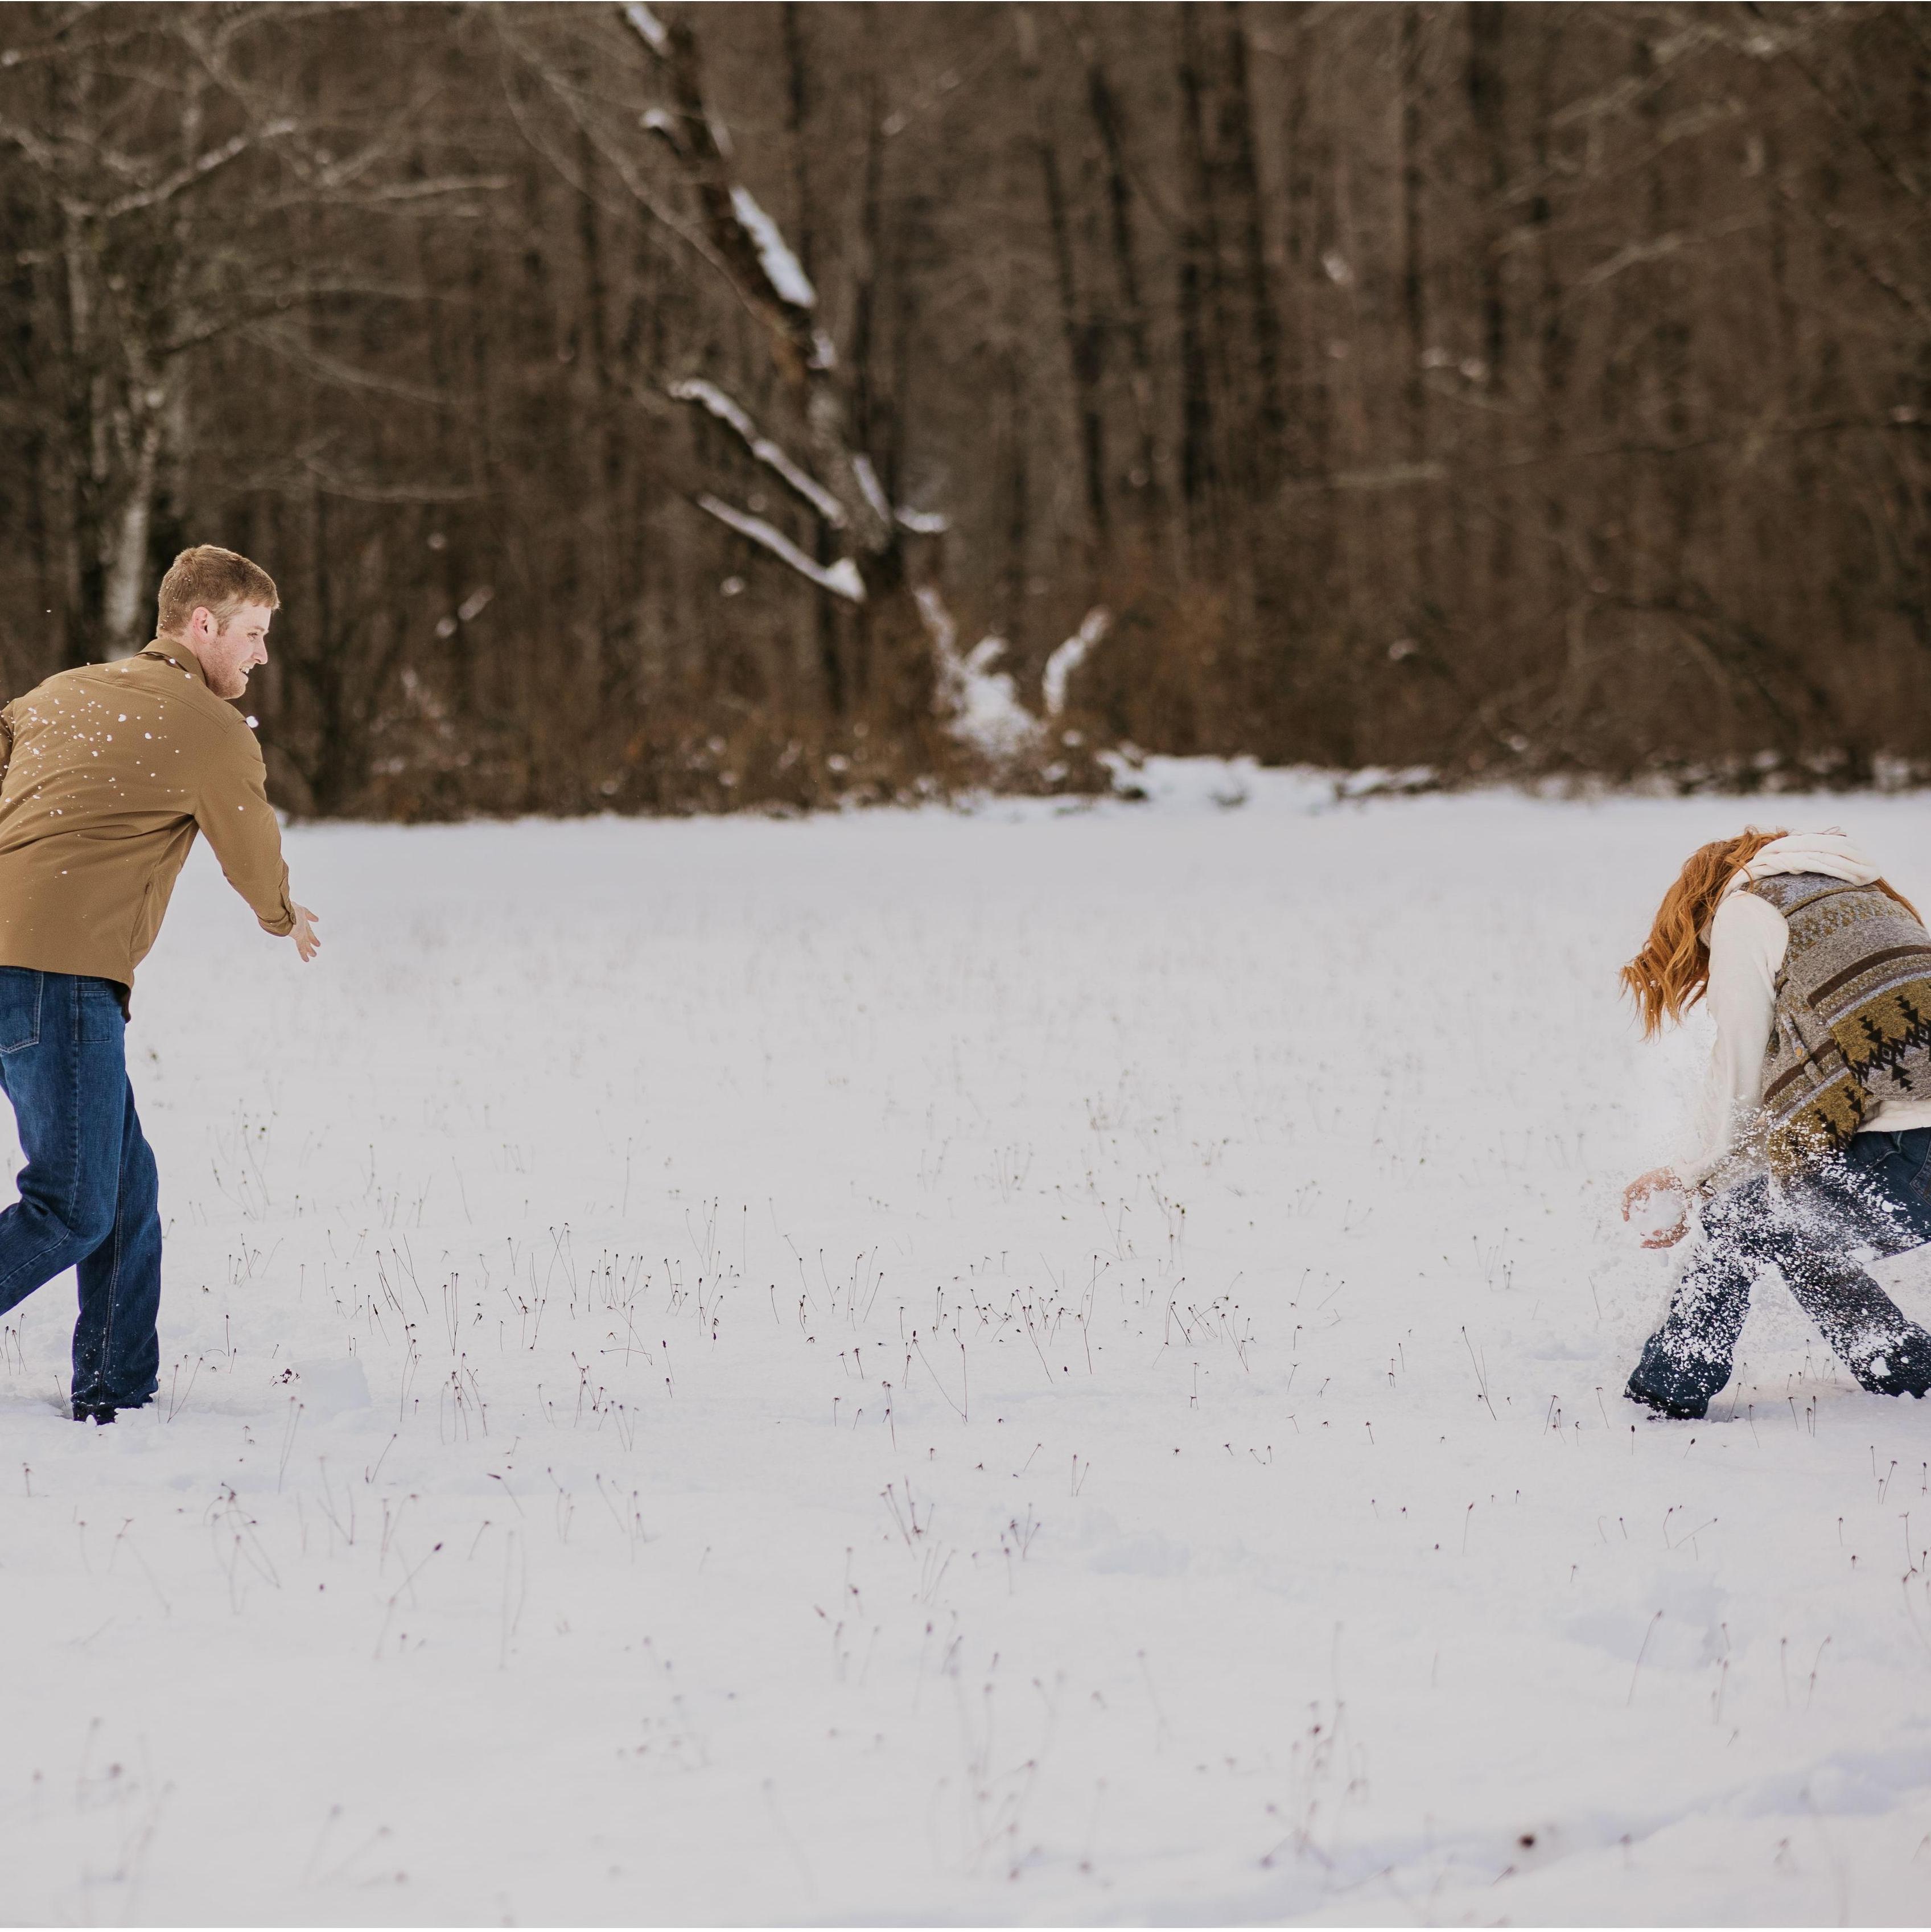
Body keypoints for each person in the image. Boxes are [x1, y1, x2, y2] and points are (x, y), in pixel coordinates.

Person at [0, 545, 319, 1423]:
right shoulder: (208, 728)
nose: (260, 654)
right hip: (57, 978)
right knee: (71, 1206)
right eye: (251, 633)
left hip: (20, 966)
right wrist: (283, 914)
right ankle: (113, 1382)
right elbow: (250, 849)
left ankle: (115, 1385)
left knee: (123, 1187)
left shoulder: (61, 692)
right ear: (201, 624)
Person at [1619, 827, 1931, 1419]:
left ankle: (1666, 1391)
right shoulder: (1863, 897)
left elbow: (1739, 1073)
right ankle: (1902, 1366)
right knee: (1788, 1219)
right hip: (1914, 1148)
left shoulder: (1750, 907)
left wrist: (1691, 1177)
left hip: (1916, 1151)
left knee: (1744, 1217)